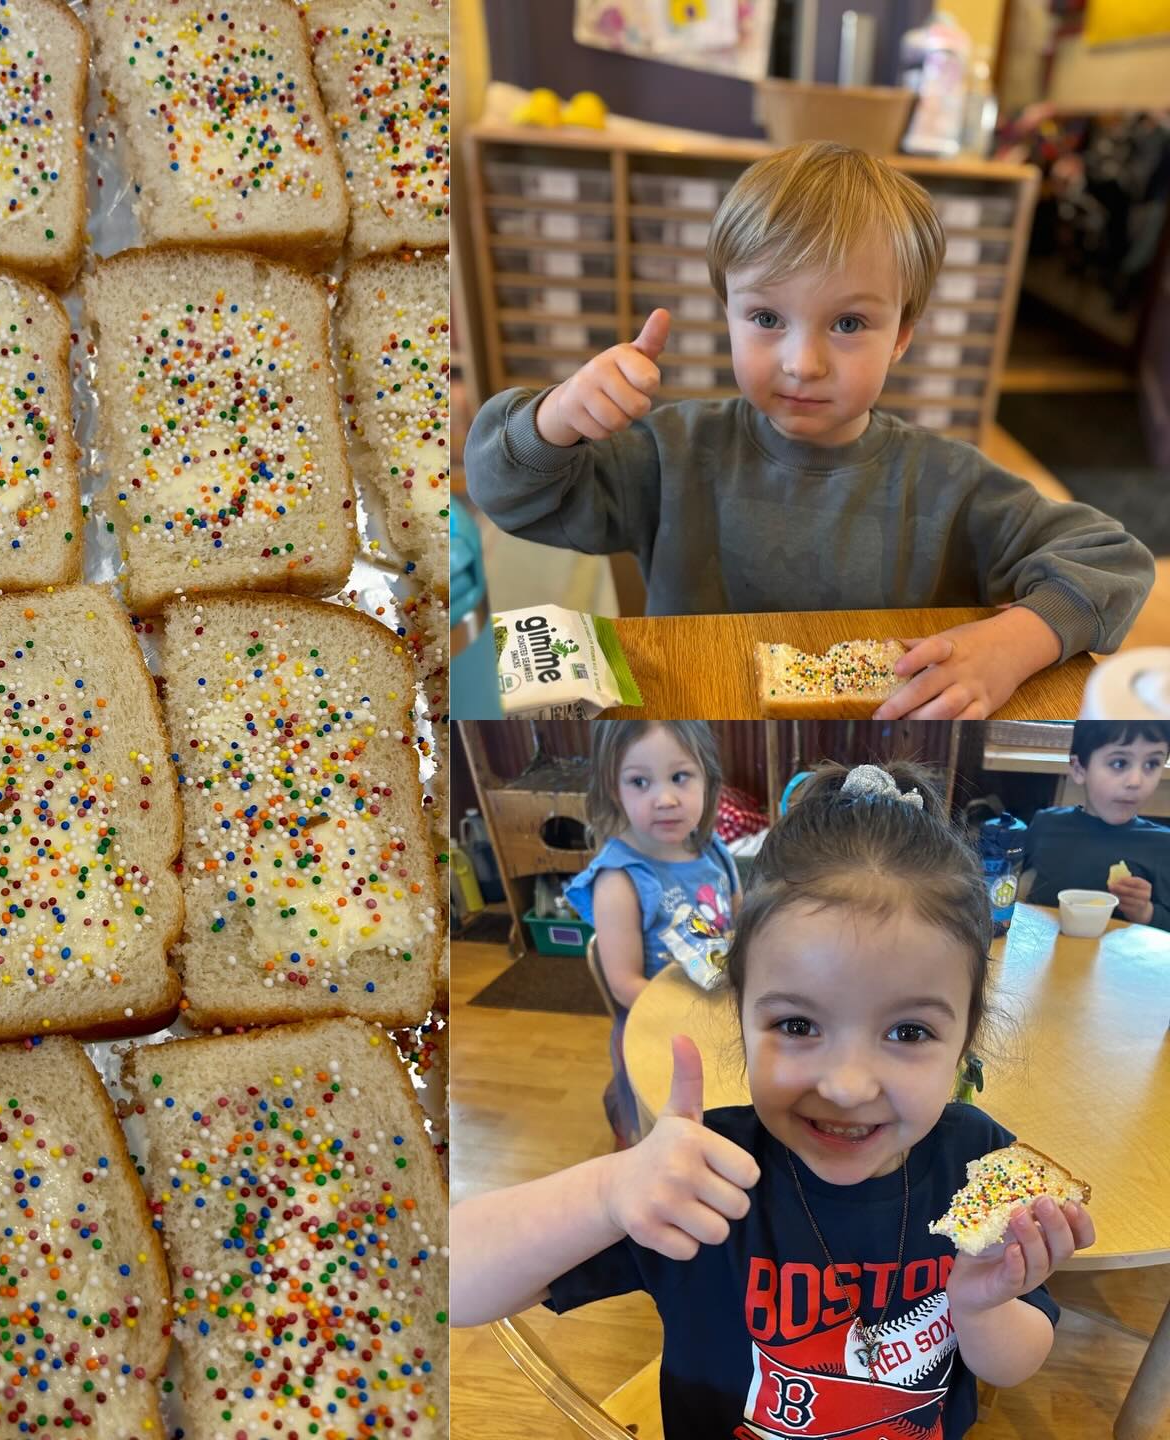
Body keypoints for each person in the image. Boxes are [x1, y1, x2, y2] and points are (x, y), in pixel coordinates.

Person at [451, 762, 1096, 1438]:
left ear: (965, 1041)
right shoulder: (703, 1176)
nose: (848, 1086)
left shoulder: (978, 1159)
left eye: (909, 1031)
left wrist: (982, 1308)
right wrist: (608, 1191)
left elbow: (1014, 1365)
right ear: (742, 1019)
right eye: (797, 1025)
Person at [465, 141, 1154, 720]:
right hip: (698, 725)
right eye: (766, 318)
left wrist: (1013, 641)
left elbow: (1113, 561)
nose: (803, 363)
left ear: (902, 336)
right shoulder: (669, 451)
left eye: (849, 324)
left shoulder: (949, 482)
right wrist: (553, 421)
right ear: (728, 311)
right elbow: (513, 499)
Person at [563, 721, 740, 1147]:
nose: (664, 799)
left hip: (723, 1012)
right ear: (613, 790)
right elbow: (624, 985)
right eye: (640, 782)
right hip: (662, 1031)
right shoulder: (620, 881)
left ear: (707, 778)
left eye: (680, 777)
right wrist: (698, 1014)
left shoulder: (714, 850)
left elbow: (740, 925)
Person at [1021, 720, 1169, 929]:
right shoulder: (1046, 824)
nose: (1136, 781)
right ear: (1079, 769)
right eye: (1119, 763)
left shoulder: (1162, 844)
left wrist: (1146, 912)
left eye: (1151, 764)